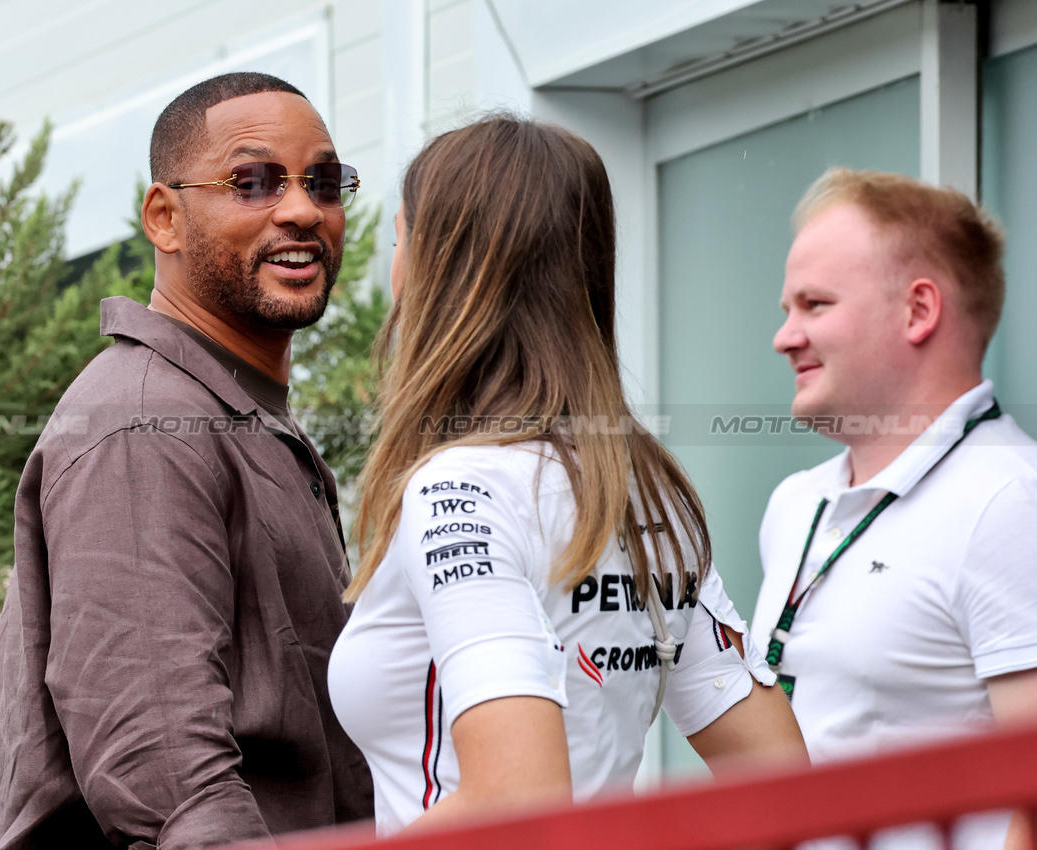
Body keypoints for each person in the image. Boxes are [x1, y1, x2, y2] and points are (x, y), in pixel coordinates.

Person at [326, 115, 808, 837]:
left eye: (401, 242)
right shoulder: (640, 490)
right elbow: (782, 779)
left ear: (442, 272)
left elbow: (516, 799)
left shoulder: (458, 488)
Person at [0, 72, 373, 850]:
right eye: (252, 182)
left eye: (322, 182)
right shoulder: (142, 421)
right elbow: (162, 769)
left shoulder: (231, 412)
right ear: (164, 218)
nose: (301, 210)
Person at [750, 168, 1037, 849]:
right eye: (785, 310)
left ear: (918, 311)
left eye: (814, 305)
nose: (783, 337)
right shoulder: (796, 504)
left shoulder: (1007, 502)